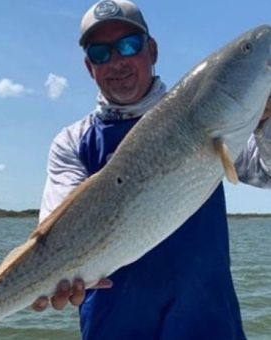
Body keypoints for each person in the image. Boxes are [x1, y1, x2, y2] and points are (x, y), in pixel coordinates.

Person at [33, 0, 271, 339]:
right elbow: (56, 227)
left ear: (153, 50)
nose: (117, 61)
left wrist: (265, 123)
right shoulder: (72, 142)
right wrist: (50, 277)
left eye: (128, 45)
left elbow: (267, 172)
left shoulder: (209, 118)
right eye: (101, 53)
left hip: (210, 325)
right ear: (90, 68)